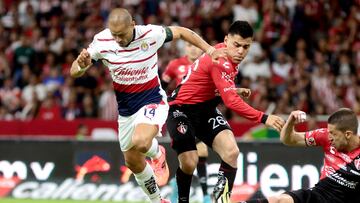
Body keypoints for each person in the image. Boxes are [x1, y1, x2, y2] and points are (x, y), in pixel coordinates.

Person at [70, 8, 225, 203]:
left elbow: (182, 32)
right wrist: (80, 65)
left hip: (152, 99)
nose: (117, 39)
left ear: (133, 25)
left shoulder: (150, 34)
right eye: (114, 34)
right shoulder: (102, 41)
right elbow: (74, 71)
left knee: (142, 141)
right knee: (132, 162)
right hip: (126, 110)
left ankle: (156, 152)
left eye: (122, 34)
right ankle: (157, 200)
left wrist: (209, 49)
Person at [166, 20, 285, 203]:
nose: (240, 51)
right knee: (190, 162)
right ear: (226, 39)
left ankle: (220, 200)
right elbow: (231, 102)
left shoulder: (227, 55)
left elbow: (208, 85)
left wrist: (232, 90)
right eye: (236, 45)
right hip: (181, 109)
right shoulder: (220, 60)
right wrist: (264, 118)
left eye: (246, 47)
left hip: (205, 110)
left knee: (231, 152)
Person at [242, 108, 360, 203]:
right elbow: (289, 140)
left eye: (333, 134)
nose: (329, 137)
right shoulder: (324, 136)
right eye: (329, 132)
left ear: (348, 134)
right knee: (280, 200)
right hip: (318, 195)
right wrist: (291, 122)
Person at [162, 42, 211, 203]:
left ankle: (204, 196)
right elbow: (161, 87)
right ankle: (180, 189)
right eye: (189, 46)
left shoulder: (207, 62)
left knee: (201, 152)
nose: (194, 48)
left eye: (196, 45)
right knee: (189, 158)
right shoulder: (175, 65)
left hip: (200, 113)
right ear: (185, 48)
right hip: (181, 114)